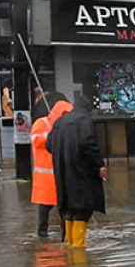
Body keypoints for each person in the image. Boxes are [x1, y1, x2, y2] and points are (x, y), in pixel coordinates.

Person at [46, 93, 106, 248]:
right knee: (82, 209)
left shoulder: (60, 121)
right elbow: (88, 144)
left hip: (63, 175)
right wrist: (100, 164)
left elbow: (48, 145)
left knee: (70, 210)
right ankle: (78, 252)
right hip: (81, 173)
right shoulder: (84, 120)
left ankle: (71, 248)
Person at [31, 91, 73, 239]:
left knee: (64, 209)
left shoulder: (66, 126)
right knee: (44, 209)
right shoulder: (42, 123)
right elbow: (36, 140)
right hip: (46, 176)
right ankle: (42, 236)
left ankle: (65, 236)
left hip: (62, 174)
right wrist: (51, 133)